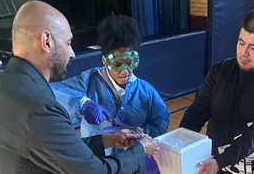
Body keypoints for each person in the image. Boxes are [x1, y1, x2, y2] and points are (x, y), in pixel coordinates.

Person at [0, 0, 161, 174]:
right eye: (68, 43)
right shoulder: (39, 107)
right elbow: (94, 171)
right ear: (46, 41)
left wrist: (106, 140)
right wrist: (139, 151)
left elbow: (57, 150)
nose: (73, 54)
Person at [180, 6, 254, 174]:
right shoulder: (221, 71)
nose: (243, 53)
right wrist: (179, 141)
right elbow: (199, 110)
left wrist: (221, 162)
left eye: (253, 48)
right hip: (222, 156)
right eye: (241, 43)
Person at [50, 13, 170, 141]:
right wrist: (82, 102)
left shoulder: (146, 91)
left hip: (132, 156)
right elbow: (53, 92)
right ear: (105, 61)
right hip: (98, 156)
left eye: (129, 63)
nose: (125, 71)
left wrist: (141, 133)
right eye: (117, 64)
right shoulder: (88, 81)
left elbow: (161, 120)